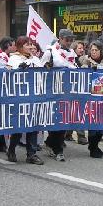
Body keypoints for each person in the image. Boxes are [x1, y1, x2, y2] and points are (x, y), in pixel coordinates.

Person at [6, 36, 44, 165]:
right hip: (20, 97)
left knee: (33, 125)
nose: (31, 47)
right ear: (21, 47)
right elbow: (8, 75)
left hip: (34, 96)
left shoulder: (35, 59)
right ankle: (11, 149)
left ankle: (31, 154)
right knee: (19, 125)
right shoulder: (14, 58)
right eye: (28, 45)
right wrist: (18, 70)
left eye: (31, 44)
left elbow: (41, 75)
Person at [42, 29, 78, 161]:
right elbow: (42, 69)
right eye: (66, 40)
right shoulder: (51, 51)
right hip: (53, 91)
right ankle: (57, 149)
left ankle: (52, 143)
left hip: (67, 91)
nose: (69, 42)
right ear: (60, 39)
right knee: (56, 120)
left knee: (64, 120)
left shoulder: (72, 54)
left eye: (71, 40)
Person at [79, 41, 103, 157]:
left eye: (96, 50)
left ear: (100, 51)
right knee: (93, 125)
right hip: (91, 98)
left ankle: (96, 144)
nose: (93, 52)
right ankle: (93, 147)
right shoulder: (86, 63)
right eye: (92, 50)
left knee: (101, 125)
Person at [65, 41, 88, 145]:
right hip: (70, 91)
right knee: (73, 112)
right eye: (79, 48)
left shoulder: (84, 60)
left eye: (82, 48)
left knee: (77, 112)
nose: (81, 50)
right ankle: (73, 135)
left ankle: (77, 135)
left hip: (80, 91)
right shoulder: (69, 60)